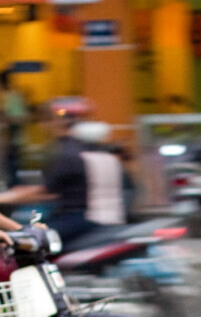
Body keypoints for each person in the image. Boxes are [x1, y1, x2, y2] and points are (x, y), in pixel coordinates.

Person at [0, 98, 126, 246]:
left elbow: (47, 191)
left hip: (79, 219)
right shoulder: (103, 153)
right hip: (108, 218)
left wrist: (6, 199)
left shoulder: (68, 153)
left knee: (33, 243)